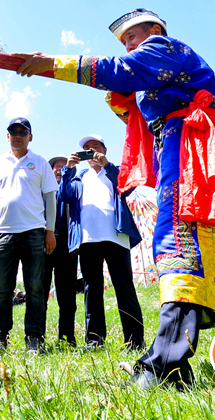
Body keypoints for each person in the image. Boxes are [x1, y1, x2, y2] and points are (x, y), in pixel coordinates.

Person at [15, 8, 215, 388]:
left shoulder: (165, 47)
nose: (128, 47)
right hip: (191, 157)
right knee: (214, 252)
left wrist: (52, 64)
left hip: (197, 159)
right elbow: (132, 106)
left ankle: (167, 365)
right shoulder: (162, 80)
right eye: (124, 43)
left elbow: (119, 71)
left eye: (131, 38)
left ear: (154, 30)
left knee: (185, 247)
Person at [58, 135, 144, 350]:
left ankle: (135, 340)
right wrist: (68, 170)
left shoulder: (115, 171)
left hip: (116, 237)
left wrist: (107, 165)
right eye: (86, 148)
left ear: (104, 150)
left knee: (124, 287)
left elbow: (127, 187)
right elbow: (64, 196)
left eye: (95, 147)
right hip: (88, 239)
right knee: (92, 290)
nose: (91, 151)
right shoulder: (80, 177)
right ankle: (95, 340)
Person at [0, 117, 58, 354]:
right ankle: (0, 337)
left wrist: (50, 230)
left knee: (35, 288)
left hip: (34, 231)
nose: (18, 136)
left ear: (30, 136)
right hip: (3, 232)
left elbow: (50, 198)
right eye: (13, 132)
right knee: (2, 289)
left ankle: (34, 338)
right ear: (7, 136)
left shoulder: (40, 162)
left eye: (22, 132)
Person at [42, 155, 79, 347]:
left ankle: (66, 338)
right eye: (57, 166)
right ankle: (36, 337)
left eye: (64, 166)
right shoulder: (41, 189)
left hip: (66, 243)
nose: (60, 169)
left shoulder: (73, 188)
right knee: (40, 291)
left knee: (67, 294)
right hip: (43, 241)